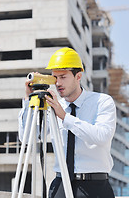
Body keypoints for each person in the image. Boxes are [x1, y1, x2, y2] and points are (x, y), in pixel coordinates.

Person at [18, 47, 116, 198]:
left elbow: (101, 136)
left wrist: (65, 117)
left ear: (78, 76)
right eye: (55, 77)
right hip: (60, 185)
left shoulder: (102, 101)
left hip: (94, 187)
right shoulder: (54, 106)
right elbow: (28, 137)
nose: (58, 83)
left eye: (63, 77)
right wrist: (28, 102)